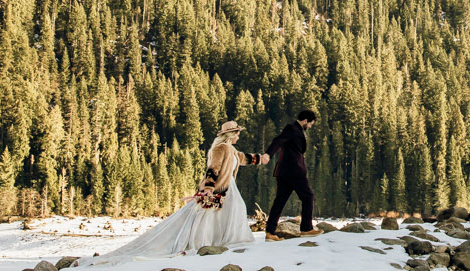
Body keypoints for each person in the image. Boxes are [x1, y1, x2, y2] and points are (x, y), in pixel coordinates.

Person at [107, 120, 265, 258]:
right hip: (221, 187)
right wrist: (209, 187)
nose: (239, 136)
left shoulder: (231, 149)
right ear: (231, 134)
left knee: (233, 211)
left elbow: (243, 158)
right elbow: (213, 169)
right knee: (217, 215)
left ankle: (227, 242)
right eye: (237, 133)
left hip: (230, 187)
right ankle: (212, 243)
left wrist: (261, 158)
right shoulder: (220, 149)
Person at [263, 108, 318, 238]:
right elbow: (278, 140)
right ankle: (306, 228)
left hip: (284, 171)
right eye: (310, 123)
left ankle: (270, 231)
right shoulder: (291, 128)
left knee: (280, 200)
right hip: (294, 170)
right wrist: (268, 154)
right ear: (305, 120)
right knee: (308, 196)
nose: (310, 126)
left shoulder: (296, 130)